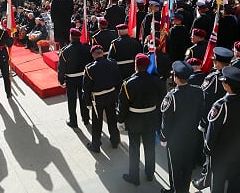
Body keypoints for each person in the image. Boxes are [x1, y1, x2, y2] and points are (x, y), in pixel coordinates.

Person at [117, 53, 165, 186]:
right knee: (150, 148)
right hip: (151, 120)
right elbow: (162, 101)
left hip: (134, 121)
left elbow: (123, 105)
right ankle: (150, 173)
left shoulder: (128, 84)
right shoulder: (157, 82)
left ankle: (134, 176)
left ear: (136, 66)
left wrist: (120, 120)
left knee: (134, 149)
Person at [205, 66, 240, 193]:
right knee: (235, 179)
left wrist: (208, 148)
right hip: (239, 147)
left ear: (227, 85)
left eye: (223, 81)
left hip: (221, 151)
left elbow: (213, 130)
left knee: (217, 181)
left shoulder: (220, 105)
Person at [192, 47, 233, 190]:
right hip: (230, 121)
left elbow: (205, 101)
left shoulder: (213, 78)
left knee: (210, 151)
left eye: (215, 60)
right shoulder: (235, 75)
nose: (213, 62)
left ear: (218, 62)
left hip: (214, 121)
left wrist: (203, 121)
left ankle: (205, 179)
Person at [160, 61, 203, 193]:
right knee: (187, 166)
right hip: (192, 136)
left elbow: (166, 121)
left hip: (175, 140)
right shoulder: (198, 91)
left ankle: (176, 190)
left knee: (175, 167)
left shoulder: (172, 97)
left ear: (176, 77)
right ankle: (184, 189)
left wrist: (163, 137)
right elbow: (201, 112)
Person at [83, 45, 122, 153]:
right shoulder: (113, 64)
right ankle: (115, 141)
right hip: (111, 96)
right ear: (102, 53)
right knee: (112, 119)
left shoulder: (90, 68)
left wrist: (87, 101)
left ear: (93, 55)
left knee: (97, 122)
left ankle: (96, 145)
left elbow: (86, 88)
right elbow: (119, 81)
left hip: (98, 99)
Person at [58, 28, 92, 128]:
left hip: (71, 79)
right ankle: (86, 118)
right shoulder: (87, 48)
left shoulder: (65, 51)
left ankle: (73, 121)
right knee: (83, 98)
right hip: (84, 77)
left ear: (71, 37)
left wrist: (61, 80)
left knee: (72, 100)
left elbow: (61, 68)